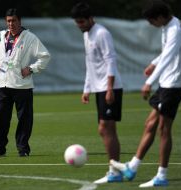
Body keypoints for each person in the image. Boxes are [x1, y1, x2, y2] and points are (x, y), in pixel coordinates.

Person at [111, 0, 181, 187]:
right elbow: (168, 51)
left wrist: (148, 82)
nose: (151, 24)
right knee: (150, 124)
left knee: (163, 129)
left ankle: (161, 175)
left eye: (152, 20)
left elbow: (169, 57)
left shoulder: (174, 29)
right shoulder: (169, 25)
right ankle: (133, 167)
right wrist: (154, 62)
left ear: (160, 17)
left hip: (173, 85)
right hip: (166, 83)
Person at [71, 2, 123, 184]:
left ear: (91, 18)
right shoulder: (87, 35)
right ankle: (115, 169)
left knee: (104, 128)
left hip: (110, 88)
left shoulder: (102, 33)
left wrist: (109, 88)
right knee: (108, 129)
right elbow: (90, 64)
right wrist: (87, 89)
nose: (80, 25)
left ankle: (115, 170)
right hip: (99, 88)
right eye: (77, 22)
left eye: (82, 21)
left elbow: (111, 60)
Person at [0, 8, 50, 157]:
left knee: (24, 119)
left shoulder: (29, 37)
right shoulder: (2, 36)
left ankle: (23, 149)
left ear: (19, 21)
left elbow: (45, 56)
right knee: (1, 117)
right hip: (3, 84)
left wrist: (31, 69)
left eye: (14, 20)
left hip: (22, 85)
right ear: (6, 21)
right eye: (8, 21)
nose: (11, 23)